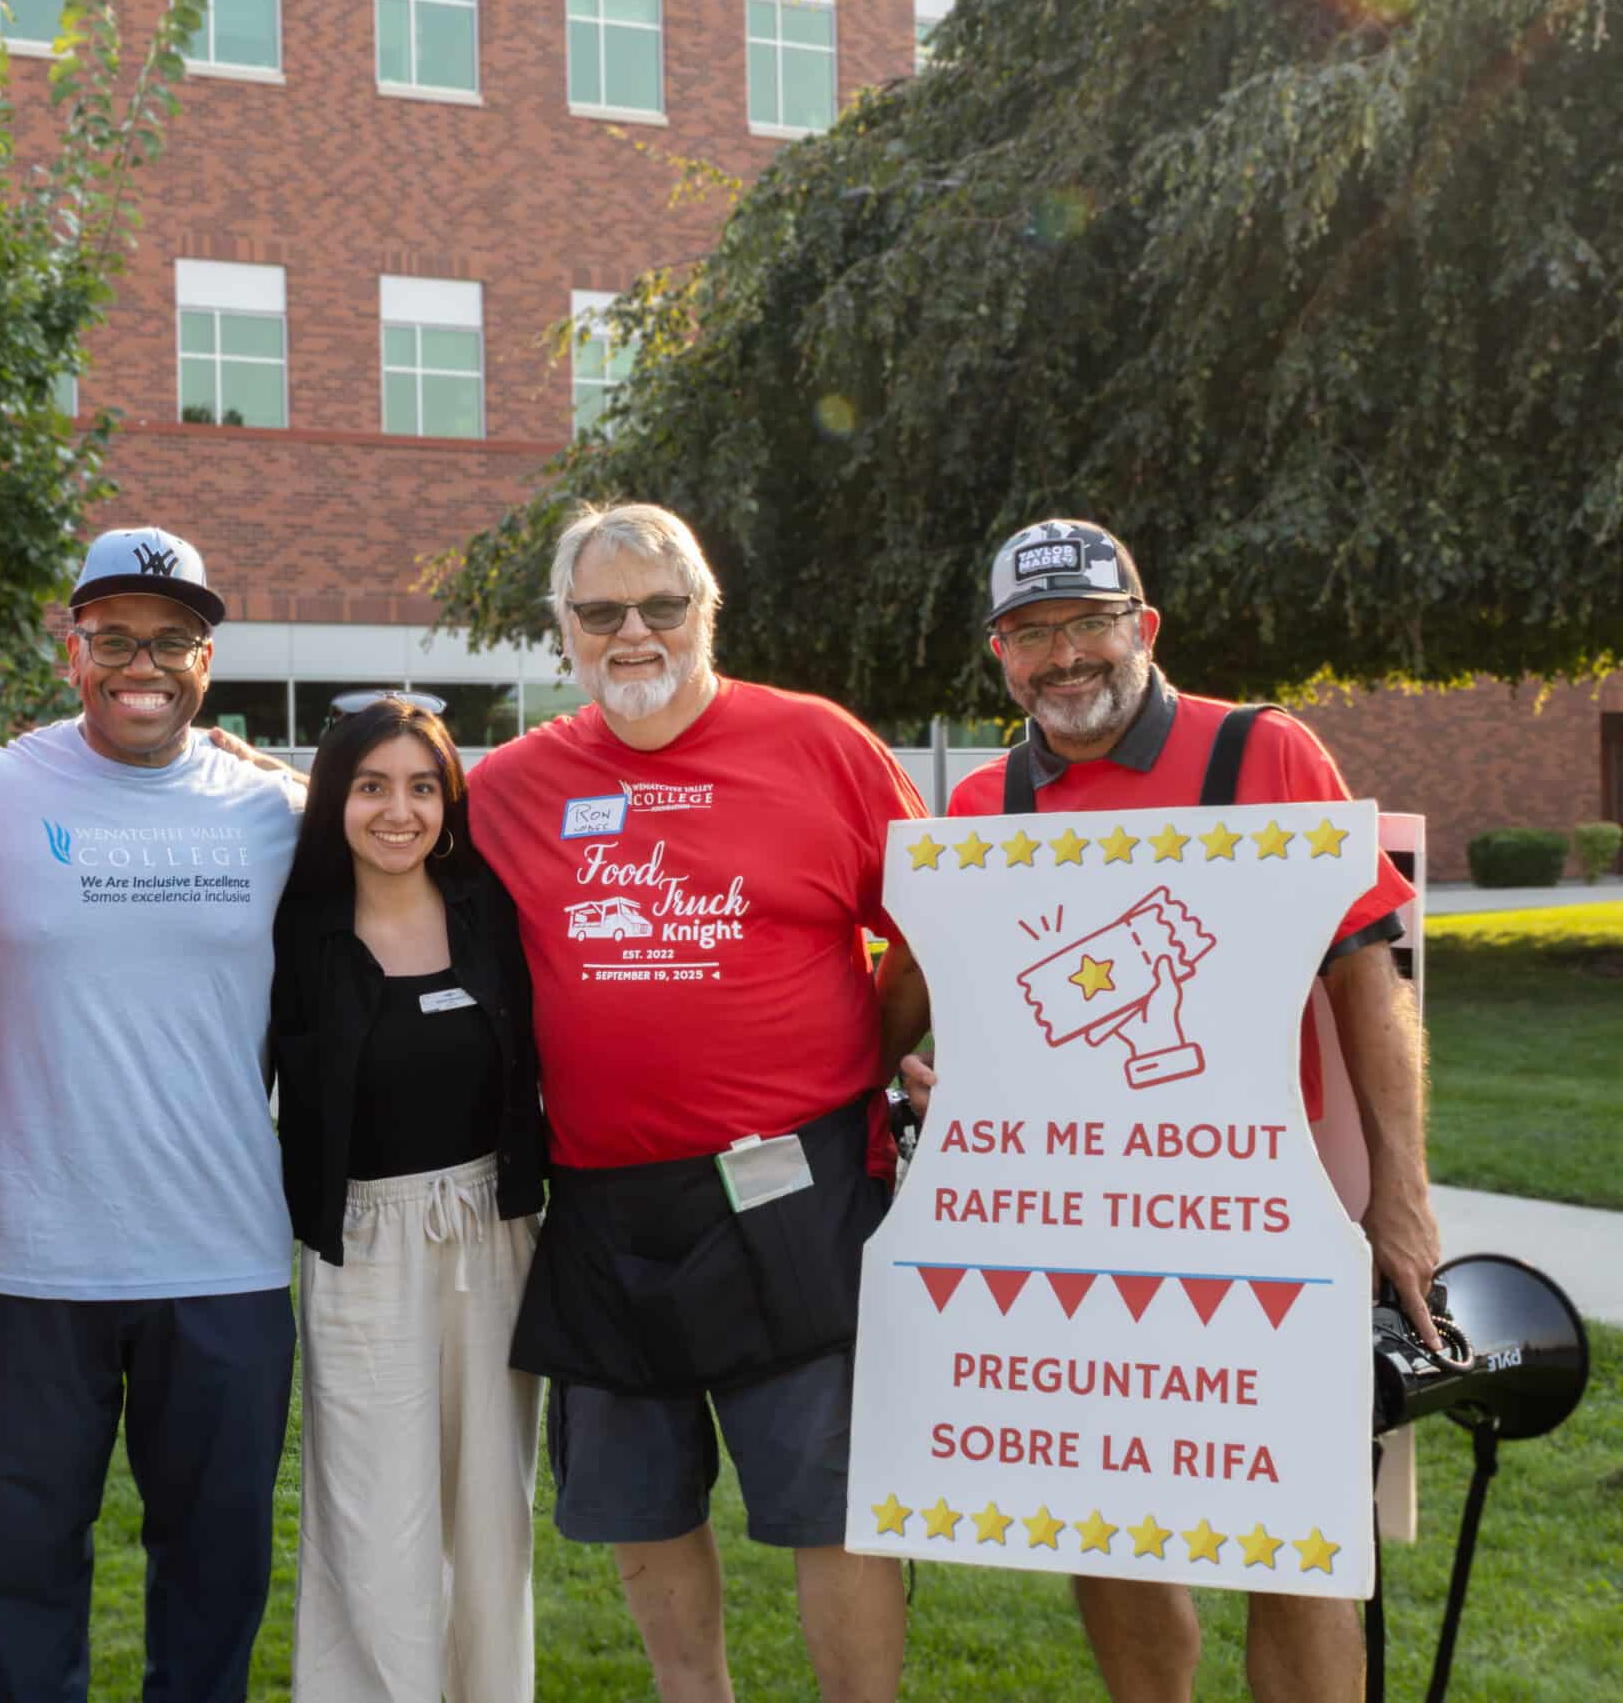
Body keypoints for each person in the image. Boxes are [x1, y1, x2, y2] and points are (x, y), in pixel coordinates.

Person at [905, 517, 1441, 1703]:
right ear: (1000, 657)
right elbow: (985, 1005)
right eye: (1029, 634)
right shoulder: (988, 804)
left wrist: (1400, 1198)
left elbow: (1366, 967)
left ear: (1141, 627)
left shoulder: (1260, 755)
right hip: (1073, 1234)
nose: (1062, 657)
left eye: (1088, 623)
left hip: (1268, 1219)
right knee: (1109, 1525)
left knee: (1294, 1541)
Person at [465, 503, 929, 1703]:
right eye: (601, 610)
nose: (634, 633)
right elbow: (379, 823)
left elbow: (935, 931)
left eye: (661, 606)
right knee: (641, 1501)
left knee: (833, 1500)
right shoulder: (512, 788)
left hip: (800, 1188)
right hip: (606, 1200)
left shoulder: (820, 744)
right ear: (561, 628)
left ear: (705, 613)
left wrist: (872, 1056)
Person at [0, 526, 305, 1703]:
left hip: (224, 1257)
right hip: (29, 1260)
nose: (144, 663)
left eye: (173, 639)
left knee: (215, 1576)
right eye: (116, 637)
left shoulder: (280, 815)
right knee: (27, 1579)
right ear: (69, 646)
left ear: (208, 658)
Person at [271, 694, 547, 1703]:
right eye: (372, 786)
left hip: (495, 1229)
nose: (399, 811)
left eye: (422, 787)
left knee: (488, 1517)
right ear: (333, 796)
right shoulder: (292, 929)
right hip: (360, 1245)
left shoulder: (489, 910)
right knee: (372, 1519)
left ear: (449, 800)